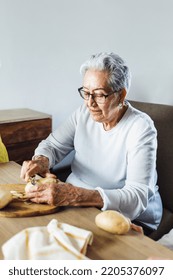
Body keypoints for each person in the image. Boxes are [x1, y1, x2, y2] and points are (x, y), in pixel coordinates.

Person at [20, 52, 163, 233]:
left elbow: (136, 197)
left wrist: (75, 196)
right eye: (86, 93)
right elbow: (52, 146)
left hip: (124, 214)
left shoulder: (141, 127)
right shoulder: (83, 113)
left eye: (99, 95)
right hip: (76, 203)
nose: (90, 103)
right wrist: (41, 160)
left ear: (121, 95)